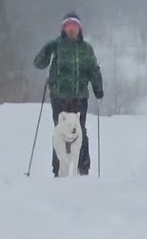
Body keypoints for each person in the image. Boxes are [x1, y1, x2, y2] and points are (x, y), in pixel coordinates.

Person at [32, 12, 104, 176]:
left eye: (75, 26)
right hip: (59, 95)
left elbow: (94, 69)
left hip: (80, 96)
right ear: (63, 29)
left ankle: (83, 168)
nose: (72, 30)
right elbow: (38, 64)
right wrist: (46, 52)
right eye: (68, 26)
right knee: (60, 130)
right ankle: (58, 169)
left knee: (80, 130)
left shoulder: (86, 48)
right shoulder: (56, 45)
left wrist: (98, 88)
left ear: (80, 29)